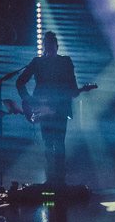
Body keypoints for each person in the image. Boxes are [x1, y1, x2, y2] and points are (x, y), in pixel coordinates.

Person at [16, 31, 80, 184]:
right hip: (43, 107)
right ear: (44, 46)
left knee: (58, 143)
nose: (49, 47)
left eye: (51, 44)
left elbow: (73, 87)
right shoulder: (37, 62)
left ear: (56, 46)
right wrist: (29, 100)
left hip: (60, 108)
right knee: (49, 143)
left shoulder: (65, 62)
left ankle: (59, 179)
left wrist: (75, 92)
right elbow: (20, 82)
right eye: (47, 44)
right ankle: (51, 178)